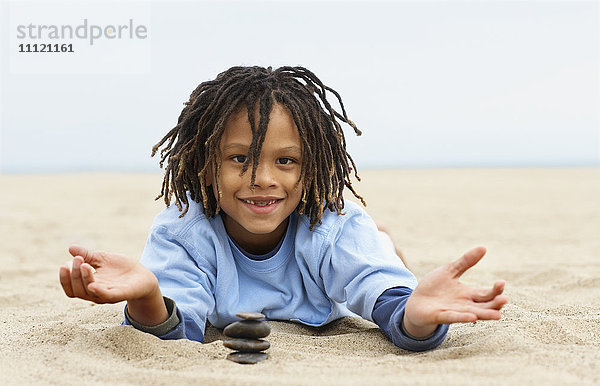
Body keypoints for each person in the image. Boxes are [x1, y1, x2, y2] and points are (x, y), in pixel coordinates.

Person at [59, 66, 507, 352]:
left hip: (331, 289)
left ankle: (384, 242)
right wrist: (147, 297)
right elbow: (180, 331)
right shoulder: (183, 231)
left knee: (372, 253)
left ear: (312, 168)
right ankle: (384, 240)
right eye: (239, 159)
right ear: (204, 165)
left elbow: (381, 297)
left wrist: (414, 315)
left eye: (286, 161)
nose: (262, 179)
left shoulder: (331, 225)